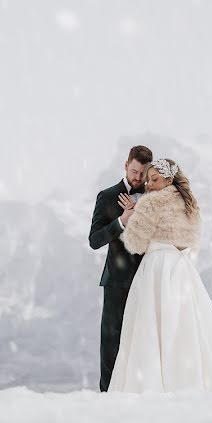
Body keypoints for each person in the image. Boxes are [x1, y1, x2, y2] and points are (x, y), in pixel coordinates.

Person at [107, 158, 212, 393]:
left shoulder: (150, 204)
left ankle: (151, 382)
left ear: (169, 179)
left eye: (154, 179)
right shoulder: (190, 203)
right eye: (148, 180)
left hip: (157, 268)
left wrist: (132, 214)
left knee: (149, 325)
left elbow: (135, 243)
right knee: (186, 325)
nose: (148, 185)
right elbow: (193, 239)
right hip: (182, 270)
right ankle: (188, 379)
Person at [88, 145, 154, 392]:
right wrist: (121, 221)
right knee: (111, 342)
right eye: (135, 171)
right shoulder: (106, 196)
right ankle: (107, 396)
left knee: (145, 339)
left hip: (148, 278)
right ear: (126, 165)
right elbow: (94, 240)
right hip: (117, 281)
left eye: (142, 173)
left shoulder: (154, 195)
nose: (138, 178)